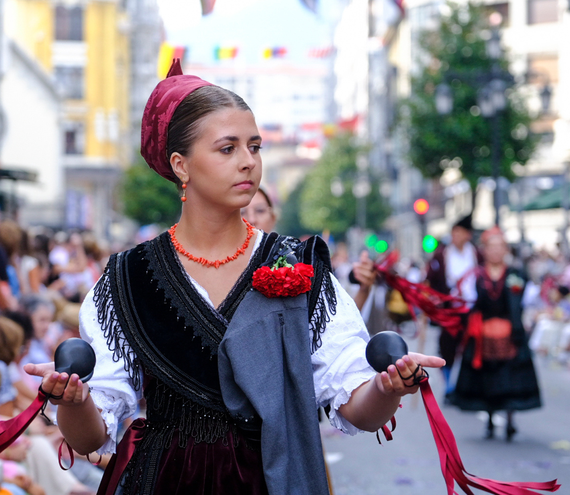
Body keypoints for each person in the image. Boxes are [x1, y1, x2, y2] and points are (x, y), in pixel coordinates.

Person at [24, 60, 444, 495]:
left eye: (255, 147)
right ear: (181, 165)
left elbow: (358, 408)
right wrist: (74, 400)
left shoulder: (297, 262)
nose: (248, 162)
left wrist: (388, 387)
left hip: (273, 478)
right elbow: (90, 438)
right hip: (165, 481)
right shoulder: (127, 277)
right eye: (228, 149)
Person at [449, 227, 542, 441]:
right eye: (492, 247)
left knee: (511, 376)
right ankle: (490, 419)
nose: (496, 251)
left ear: (506, 250)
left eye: (500, 247)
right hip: (484, 335)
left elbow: (528, 300)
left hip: (510, 334)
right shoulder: (476, 276)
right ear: (485, 250)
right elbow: (466, 301)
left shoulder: (516, 274)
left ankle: (510, 419)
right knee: (487, 377)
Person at [425, 214, 482, 387]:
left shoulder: (477, 255)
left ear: (468, 235)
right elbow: (430, 280)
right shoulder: (441, 255)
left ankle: (468, 384)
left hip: (472, 308)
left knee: (471, 346)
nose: (455, 236)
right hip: (450, 309)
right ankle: (449, 384)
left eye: (460, 232)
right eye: (454, 232)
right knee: (447, 346)